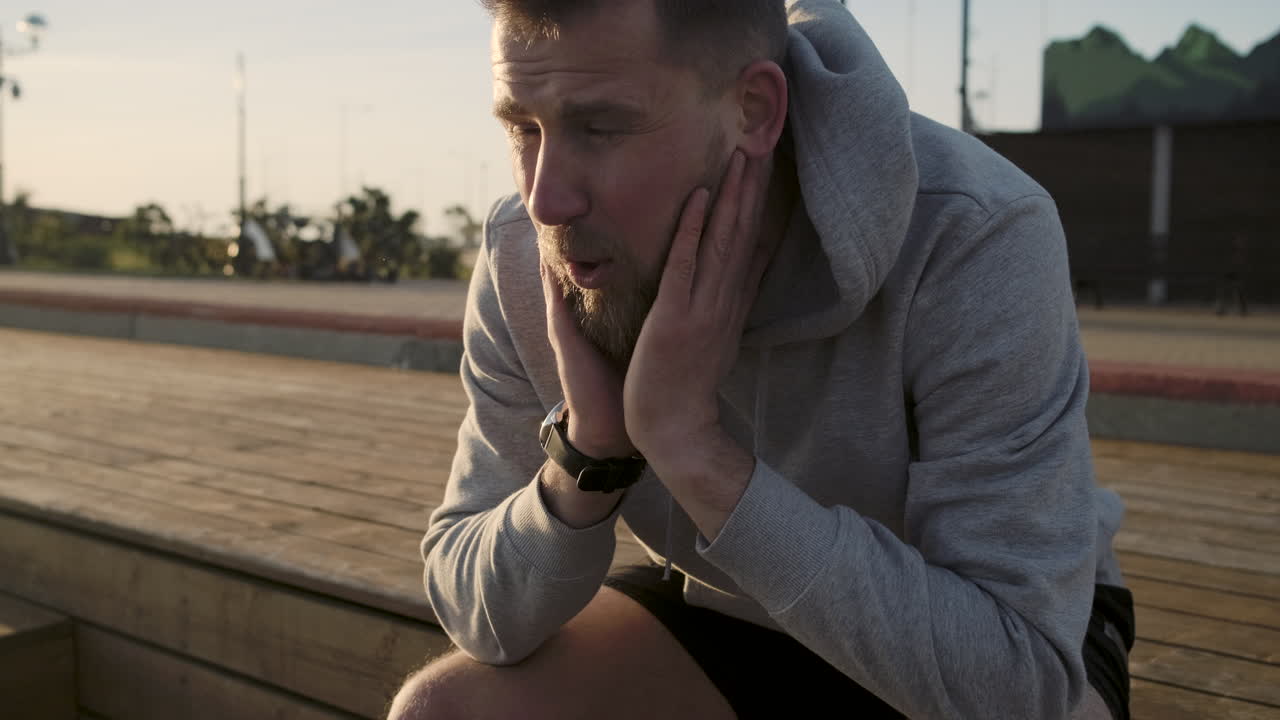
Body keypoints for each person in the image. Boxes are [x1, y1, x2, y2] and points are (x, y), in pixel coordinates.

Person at [388, 0, 1134, 718]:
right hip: (732, 603)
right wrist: (590, 453)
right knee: (439, 712)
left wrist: (694, 452)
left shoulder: (971, 231)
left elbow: (1017, 686)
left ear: (753, 110)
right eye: (523, 126)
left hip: (988, 632)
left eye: (602, 126)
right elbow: (473, 609)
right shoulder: (532, 253)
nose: (546, 199)